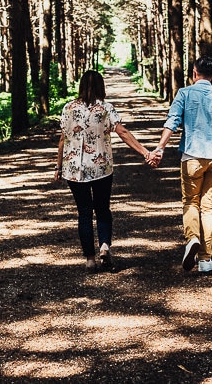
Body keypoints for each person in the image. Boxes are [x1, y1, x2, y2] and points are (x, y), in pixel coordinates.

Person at [55, 70, 154, 272]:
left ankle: (90, 260)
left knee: (84, 212)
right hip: (101, 169)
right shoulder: (105, 108)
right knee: (102, 209)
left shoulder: (69, 108)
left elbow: (63, 139)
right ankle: (104, 246)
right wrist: (145, 152)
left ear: (81, 86)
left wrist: (58, 166)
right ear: (102, 87)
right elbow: (123, 133)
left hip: (74, 170)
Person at [150, 56, 212, 273]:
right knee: (209, 208)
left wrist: (160, 148)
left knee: (191, 202)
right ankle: (206, 259)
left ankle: (192, 238)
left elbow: (172, 122)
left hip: (192, 157)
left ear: (194, 73)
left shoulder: (184, 93)